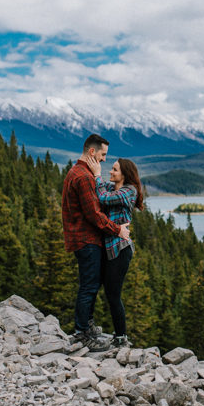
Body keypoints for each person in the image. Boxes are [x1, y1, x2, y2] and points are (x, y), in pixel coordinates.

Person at [61, 134, 130, 351]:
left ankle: (87, 326)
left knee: (91, 284)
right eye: (102, 155)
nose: (103, 160)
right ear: (92, 152)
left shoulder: (78, 171)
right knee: (89, 286)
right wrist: (117, 229)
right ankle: (82, 332)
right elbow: (94, 214)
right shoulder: (83, 177)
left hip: (83, 238)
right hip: (87, 239)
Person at [87, 157, 144, 348]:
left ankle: (121, 336)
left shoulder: (129, 191)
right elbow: (101, 191)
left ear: (125, 174)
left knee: (113, 293)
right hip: (108, 246)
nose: (110, 172)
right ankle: (90, 327)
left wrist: (96, 174)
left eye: (114, 169)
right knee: (101, 288)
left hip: (120, 249)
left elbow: (103, 198)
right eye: (111, 169)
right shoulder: (113, 188)